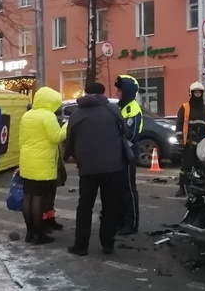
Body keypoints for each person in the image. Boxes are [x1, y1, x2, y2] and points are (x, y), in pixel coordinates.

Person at [63, 82, 126, 256]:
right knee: (110, 206)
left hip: (88, 167)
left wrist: (68, 156)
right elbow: (125, 131)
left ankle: (81, 246)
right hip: (113, 166)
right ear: (103, 93)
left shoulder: (77, 113)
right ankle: (107, 244)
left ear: (86, 93)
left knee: (85, 206)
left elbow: (69, 139)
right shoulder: (112, 110)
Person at [18, 86, 68, 245]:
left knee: (28, 198)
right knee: (39, 199)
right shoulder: (48, 116)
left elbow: (21, 139)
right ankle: (39, 234)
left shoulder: (27, 115)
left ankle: (29, 233)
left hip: (27, 161)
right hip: (43, 164)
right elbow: (56, 137)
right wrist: (67, 126)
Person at [115, 74, 143, 236]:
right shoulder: (122, 106)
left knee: (128, 189)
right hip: (120, 152)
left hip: (128, 153)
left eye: (120, 90)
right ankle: (121, 220)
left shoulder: (132, 108)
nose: (117, 93)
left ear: (127, 91)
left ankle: (131, 224)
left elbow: (131, 134)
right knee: (119, 189)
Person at [174, 81, 205, 198]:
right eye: (195, 92)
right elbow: (179, 125)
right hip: (188, 143)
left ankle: (198, 188)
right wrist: (180, 141)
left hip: (201, 143)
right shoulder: (185, 108)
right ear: (191, 93)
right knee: (186, 167)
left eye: (199, 92)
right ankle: (182, 187)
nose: (198, 94)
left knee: (200, 167)